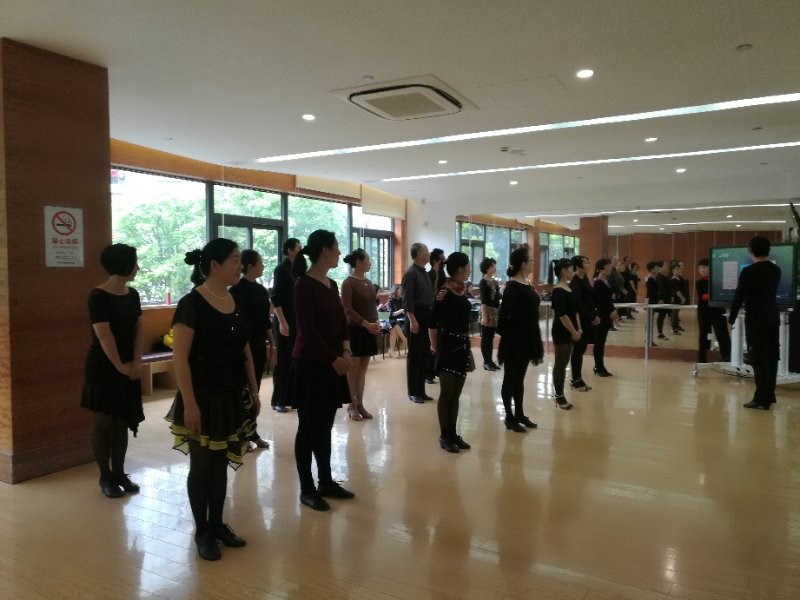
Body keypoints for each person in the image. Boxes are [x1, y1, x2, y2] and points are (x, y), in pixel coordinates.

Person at [166, 238, 261, 561]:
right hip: (202, 397)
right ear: (215, 266)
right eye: (234, 260)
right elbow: (180, 359)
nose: (240, 266)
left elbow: (245, 350)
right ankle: (202, 531)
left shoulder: (235, 300)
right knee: (202, 465)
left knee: (220, 464)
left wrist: (254, 390)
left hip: (231, 395)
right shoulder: (191, 304)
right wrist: (190, 404)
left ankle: (218, 524)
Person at [290, 230, 355, 511]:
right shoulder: (303, 285)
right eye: (337, 248)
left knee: (325, 425)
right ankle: (307, 488)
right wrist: (333, 359)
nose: (340, 253)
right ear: (325, 251)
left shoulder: (331, 284)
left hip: (332, 363)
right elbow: (307, 330)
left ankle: (325, 481)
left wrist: (346, 350)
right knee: (308, 427)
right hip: (311, 365)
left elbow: (341, 322)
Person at [81, 243, 145, 499]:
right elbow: (103, 335)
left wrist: (137, 362)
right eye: (135, 262)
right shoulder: (98, 296)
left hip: (128, 364)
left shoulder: (133, 294)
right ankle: (105, 477)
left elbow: (139, 328)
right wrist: (120, 366)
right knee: (103, 421)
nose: (137, 267)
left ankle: (119, 473)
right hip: (103, 366)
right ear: (124, 264)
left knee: (122, 420)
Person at [728, 236, 781, 410]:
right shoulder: (776, 270)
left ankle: (761, 398)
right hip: (772, 316)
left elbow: (739, 297)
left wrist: (731, 319)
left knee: (758, 358)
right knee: (771, 356)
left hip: (756, 319)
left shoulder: (748, 272)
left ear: (750, 251)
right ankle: (769, 394)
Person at [430, 252, 474, 453]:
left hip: (462, 345)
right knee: (447, 393)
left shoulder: (460, 290)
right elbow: (432, 323)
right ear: (460, 269)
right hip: (448, 346)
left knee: (456, 394)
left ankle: (453, 433)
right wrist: (434, 347)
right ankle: (444, 435)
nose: (470, 269)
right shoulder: (444, 292)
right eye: (468, 266)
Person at [229, 249, 274, 450]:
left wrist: (272, 345)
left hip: (258, 346)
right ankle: (241, 435)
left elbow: (266, 321)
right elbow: (239, 325)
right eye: (260, 263)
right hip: (242, 348)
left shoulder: (262, 290)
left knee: (255, 391)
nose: (263, 266)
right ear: (250, 266)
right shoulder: (236, 291)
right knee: (243, 393)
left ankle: (253, 433)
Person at [497, 247, 543, 432]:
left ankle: (519, 413)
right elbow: (503, 317)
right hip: (515, 340)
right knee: (510, 378)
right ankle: (509, 416)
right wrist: (513, 334)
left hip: (527, 337)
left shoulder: (526, 284)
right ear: (523, 264)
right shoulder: (512, 287)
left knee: (519, 379)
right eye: (530, 261)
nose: (533, 263)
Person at [341, 248, 382, 421]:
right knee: (353, 370)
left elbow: (372, 307)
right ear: (358, 262)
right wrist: (366, 324)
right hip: (355, 330)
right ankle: (352, 405)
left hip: (369, 330)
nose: (370, 263)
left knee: (363, 369)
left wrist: (375, 323)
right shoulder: (348, 283)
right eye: (367, 260)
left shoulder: (369, 283)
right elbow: (348, 310)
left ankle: (360, 403)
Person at [270, 237, 302, 413]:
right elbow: (276, 297)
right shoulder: (281, 269)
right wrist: (282, 322)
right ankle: (278, 400)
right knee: (283, 361)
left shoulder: (297, 269)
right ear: (289, 250)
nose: (300, 250)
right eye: (297, 248)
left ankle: (290, 397)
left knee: (294, 359)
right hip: (284, 319)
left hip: (296, 319)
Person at [401, 242, 434, 403]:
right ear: (419, 254)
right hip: (415, 317)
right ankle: (413, 391)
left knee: (424, 354)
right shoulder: (410, 273)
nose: (429, 254)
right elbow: (407, 301)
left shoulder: (424, 272)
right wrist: (412, 321)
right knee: (415, 356)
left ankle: (421, 390)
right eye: (426, 251)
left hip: (426, 315)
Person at [550, 259, 580, 409]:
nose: (573, 272)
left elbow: (574, 312)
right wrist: (573, 331)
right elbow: (562, 315)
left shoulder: (568, 288)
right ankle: (559, 395)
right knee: (560, 364)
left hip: (571, 330)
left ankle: (560, 394)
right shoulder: (558, 290)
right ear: (563, 271)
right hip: (562, 331)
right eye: (571, 269)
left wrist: (578, 329)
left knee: (565, 362)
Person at [569, 255, 599, 391]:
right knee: (578, 350)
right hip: (580, 321)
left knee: (581, 350)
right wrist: (592, 316)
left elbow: (590, 298)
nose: (588, 264)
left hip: (588, 319)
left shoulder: (585, 278)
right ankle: (575, 380)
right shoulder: (575, 281)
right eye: (585, 262)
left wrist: (595, 314)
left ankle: (578, 378)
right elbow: (579, 304)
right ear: (578, 266)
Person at [696, 258, 731, 363]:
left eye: (704, 267)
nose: (702, 270)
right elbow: (702, 297)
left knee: (722, 334)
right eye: (700, 268)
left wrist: (715, 294)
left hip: (717, 311)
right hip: (704, 312)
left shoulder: (718, 281)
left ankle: (727, 358)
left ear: (710, 268)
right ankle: (702, 359)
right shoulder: (699, 283)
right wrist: (714, 294)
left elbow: (723, 294)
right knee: (704, 335)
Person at [592, 258, 619, 377]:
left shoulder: (605, 281)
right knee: (599, 342)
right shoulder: (598, 282)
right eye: (608, 266)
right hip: (602, 315)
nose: (610, 268)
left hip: (606, 314)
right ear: (601, 268)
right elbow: (601, 301)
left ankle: (600, 366)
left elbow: (608, 298)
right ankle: (599, 367)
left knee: (601, 342)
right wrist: (611, 310)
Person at [478, 257, 501, 370]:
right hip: (487, 311)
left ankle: (490, 361)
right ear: (487, 269)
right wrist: (484, 316)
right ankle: (486, 362)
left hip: (494, 310)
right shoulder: (483, 282)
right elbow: (483, 300)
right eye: (492, 266)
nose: (494, 268)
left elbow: (497, 297)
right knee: (486, 338)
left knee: (490, 337)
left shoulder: (494, 282)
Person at [381, 285, 407, 357]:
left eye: (401, 290)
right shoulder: (390, 301)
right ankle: (405, 341)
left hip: (401, 321)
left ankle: (392, 350)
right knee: (394, 325)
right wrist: (401, 311)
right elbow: (389, 315)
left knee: (394, 327)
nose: (401, 291)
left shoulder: (402, 299)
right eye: (400, 290)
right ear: (395, 291)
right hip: (391, 321)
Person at [669, 260, 686, 335]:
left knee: (676, 313)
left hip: (678, 299)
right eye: (677, 269)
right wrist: (682, 298)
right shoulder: (673, 280)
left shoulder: (679, 278)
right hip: (675, 299)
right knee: (674, 314)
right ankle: (674, 329)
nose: (679, 271)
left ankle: (676, 326)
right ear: (673, 270)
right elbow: (677, 291)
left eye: (679, 269)